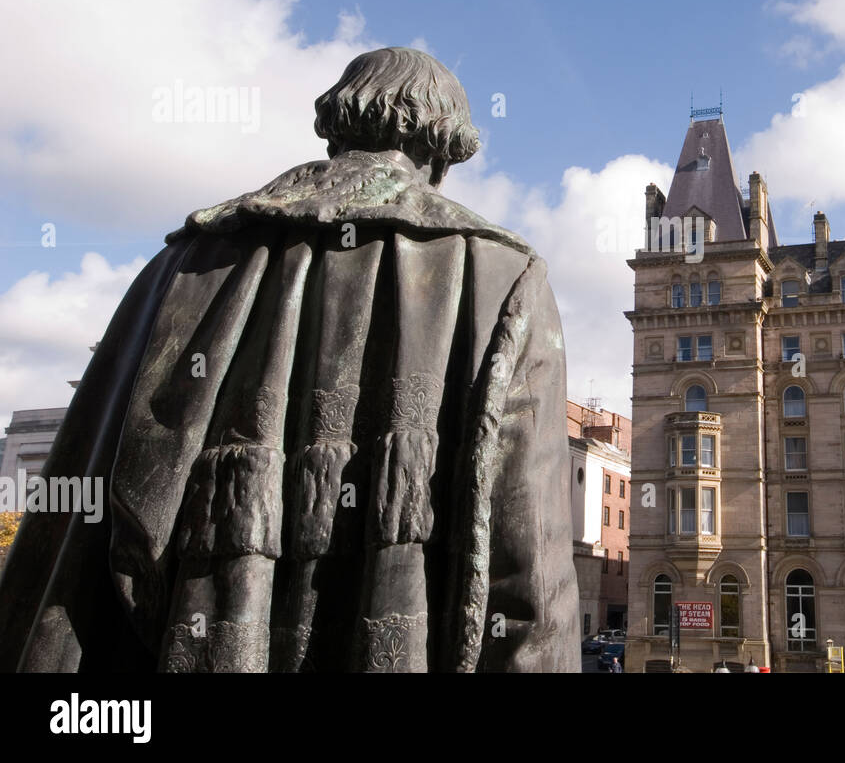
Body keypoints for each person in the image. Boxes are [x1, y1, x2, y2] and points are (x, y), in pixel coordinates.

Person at [0, 47, 578, 673]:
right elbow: (532, 565)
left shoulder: (188, 260)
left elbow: (78, 523)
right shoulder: (503, 275)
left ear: (338, 128)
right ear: (441, 151)